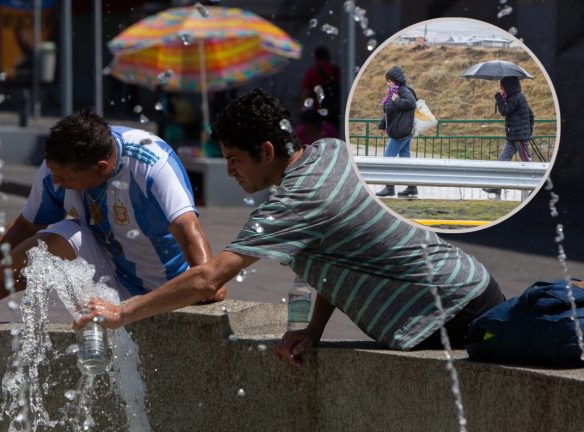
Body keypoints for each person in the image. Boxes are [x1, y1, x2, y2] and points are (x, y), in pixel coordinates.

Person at [73, 89, 505, 362]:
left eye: (234, 159)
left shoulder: (295, 200)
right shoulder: (330, 151)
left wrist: (123, 312)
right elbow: (336, 249)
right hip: (467, 288)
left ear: (266, 151)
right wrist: (313, 328)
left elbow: (209, 278)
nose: (230, 171)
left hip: (447, 315)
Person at [0, 110, 225, 320]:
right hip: (112, 273)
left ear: (101, 168)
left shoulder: (151, 163)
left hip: (168, 286)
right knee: (55, 238)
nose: (56, 182)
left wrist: (206, 279)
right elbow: (25, 226)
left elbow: (189, 229)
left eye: (64, 178)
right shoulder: (59, 165)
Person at [482, 76, 535, 195]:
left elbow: (504, 111)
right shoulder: (517, 97)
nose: (501, 90)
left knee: (527, 162)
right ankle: (497, 187)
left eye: (502, 88)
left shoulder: (516, 98)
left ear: (508, 87)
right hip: (513, 136)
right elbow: (531, 115)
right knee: (502, 161)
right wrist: (528, 131)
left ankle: (535, 187)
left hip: (519, 137)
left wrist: (498, 98)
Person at [376, 66, 418, 198]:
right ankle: (412, 187)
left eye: (389, 81)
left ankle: (389, 187)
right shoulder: (393, 92)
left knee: (388, 158)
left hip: (401, 132)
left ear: (396, 80)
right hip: (402, 130)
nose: (387, 83)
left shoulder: (404, 91)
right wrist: (382, 125)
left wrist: (396, 99)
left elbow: (411, 103)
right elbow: (389, 111)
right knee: (405, 159)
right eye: (387, 81)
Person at [300, 46, 341, 130]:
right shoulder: (336, 70)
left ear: (316, 58)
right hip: (336, 111)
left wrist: (305, 110)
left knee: (320, 134)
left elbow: (305, 92)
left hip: (318, 113)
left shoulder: (312, 72)